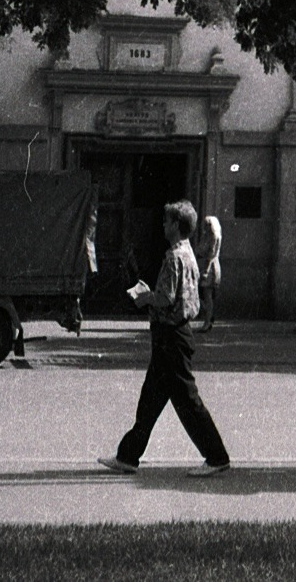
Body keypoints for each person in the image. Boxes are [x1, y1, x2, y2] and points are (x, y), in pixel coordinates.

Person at [99, 201, 230, 476]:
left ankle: (217, 457)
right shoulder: (188, 252)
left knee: (188, 401)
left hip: (170, 337)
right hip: (175, 335)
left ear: (177, 226)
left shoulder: (173, 256)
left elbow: (166, 299)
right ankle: (127, 456)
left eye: (167, 221)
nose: (163, 225)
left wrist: (144, 297)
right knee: (150, 400)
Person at [196, 215, 222, 332]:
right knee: (207, 296)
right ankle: (209, 318)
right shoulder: (208, 237)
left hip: (209, 267)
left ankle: (207, 320)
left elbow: (210, 255)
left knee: (207, 296)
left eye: (207, 225)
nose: (205, 227)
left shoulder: (212, 237)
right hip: (209, 266)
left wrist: (205, 271)